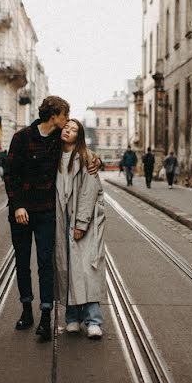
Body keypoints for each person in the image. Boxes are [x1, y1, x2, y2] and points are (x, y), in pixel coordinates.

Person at [6, 96, 101, 343]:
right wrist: (18, 206)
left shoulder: (59, 143)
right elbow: (11, 175)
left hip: (46, 212)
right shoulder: (22, 138)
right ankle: (27, 310)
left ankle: (46, 317)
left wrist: (95, 160)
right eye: (65, 116)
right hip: (21, 212)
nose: (67, 120)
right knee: (23, 262)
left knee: (46, 263)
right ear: (54, 116)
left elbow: (78, 153)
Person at [54, 119, 107, 340]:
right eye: (66, 127)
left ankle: (93, 320)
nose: (68, 130)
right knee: (66, 269)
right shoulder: (53, 156)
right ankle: (72, 318)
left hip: (82, 219)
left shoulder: (87, 158)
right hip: (61, 219)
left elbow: (90, 191)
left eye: (74, 129)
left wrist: (82, 223)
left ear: (80, 135)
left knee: (87, 269)